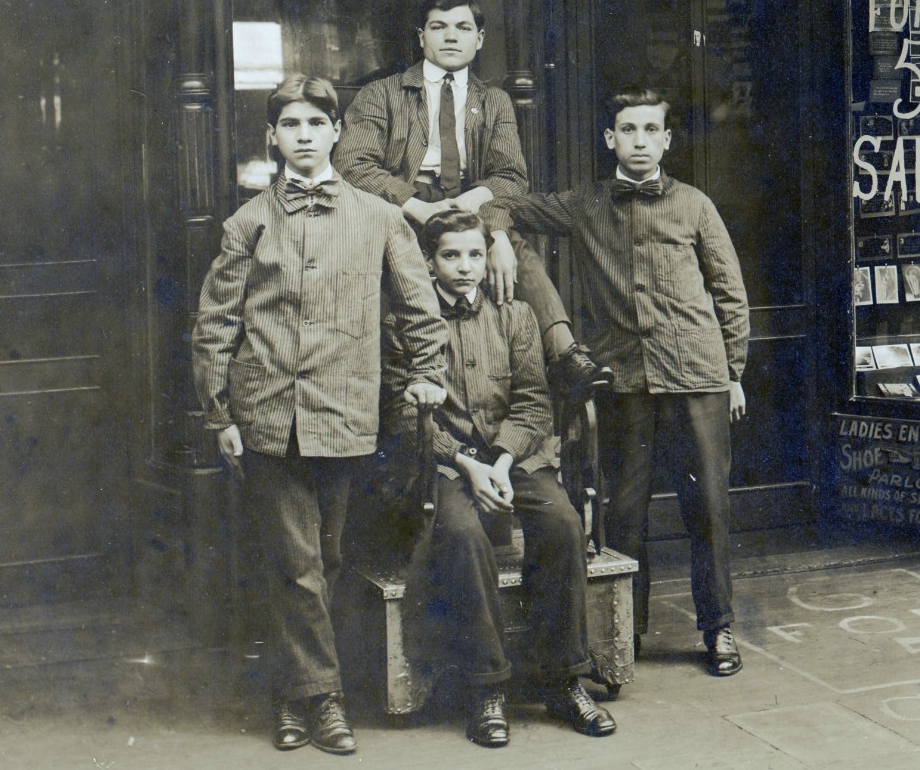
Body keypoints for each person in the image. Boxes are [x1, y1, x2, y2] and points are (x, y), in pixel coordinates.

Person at [193, 73, 448, 756]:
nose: (303, 137)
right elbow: (215, 325)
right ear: (272, 139)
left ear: (336, 131)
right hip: (268, 414)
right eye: (290, 126)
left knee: (326, 558)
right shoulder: (247, 223)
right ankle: (324, 702)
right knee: (299, 561)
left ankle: (289, 696)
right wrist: (220, 413)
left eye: (315, 124)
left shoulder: (380, 218)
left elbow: (422, 309)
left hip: (345, 412)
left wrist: (427, 375)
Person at [493, 89, 750, 676]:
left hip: (696, 376)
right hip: (626, 381)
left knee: (707, 508)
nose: (639, 141)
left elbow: (731, 293)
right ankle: (623, 634)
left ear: (665, 139)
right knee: (623, 512)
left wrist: (733, 371)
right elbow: (509, 208)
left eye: (649, 130)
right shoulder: (585, 205)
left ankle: (719, 630)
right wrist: (496, 237)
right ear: (610, 139)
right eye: (627, 130)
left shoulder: (694, 206)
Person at [388, 208, 617, 748]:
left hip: (512, 459)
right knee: (463, 534)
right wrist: (465, 462)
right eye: (450, 255)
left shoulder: (514, 316)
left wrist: (502, 462)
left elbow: (534, 404)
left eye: (473, 254)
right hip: (441, 465)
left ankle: (562, 678)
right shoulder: (409, 324)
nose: (465, 267)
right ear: (428, 261)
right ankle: (487, 686)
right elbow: (402, 416)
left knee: (562, 522)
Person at [334, 0, 610, 404]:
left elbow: (510, 177)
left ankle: (566, 354)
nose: (450, 37)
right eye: (438, 27)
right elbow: (353, 164)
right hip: (403, 210)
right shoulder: (383, 94)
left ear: (479, 40)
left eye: (463, 28)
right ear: (421, 37)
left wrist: (490, 226)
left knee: (514, 247)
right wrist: (417, 205)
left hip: (469, 206)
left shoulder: (494, 101)